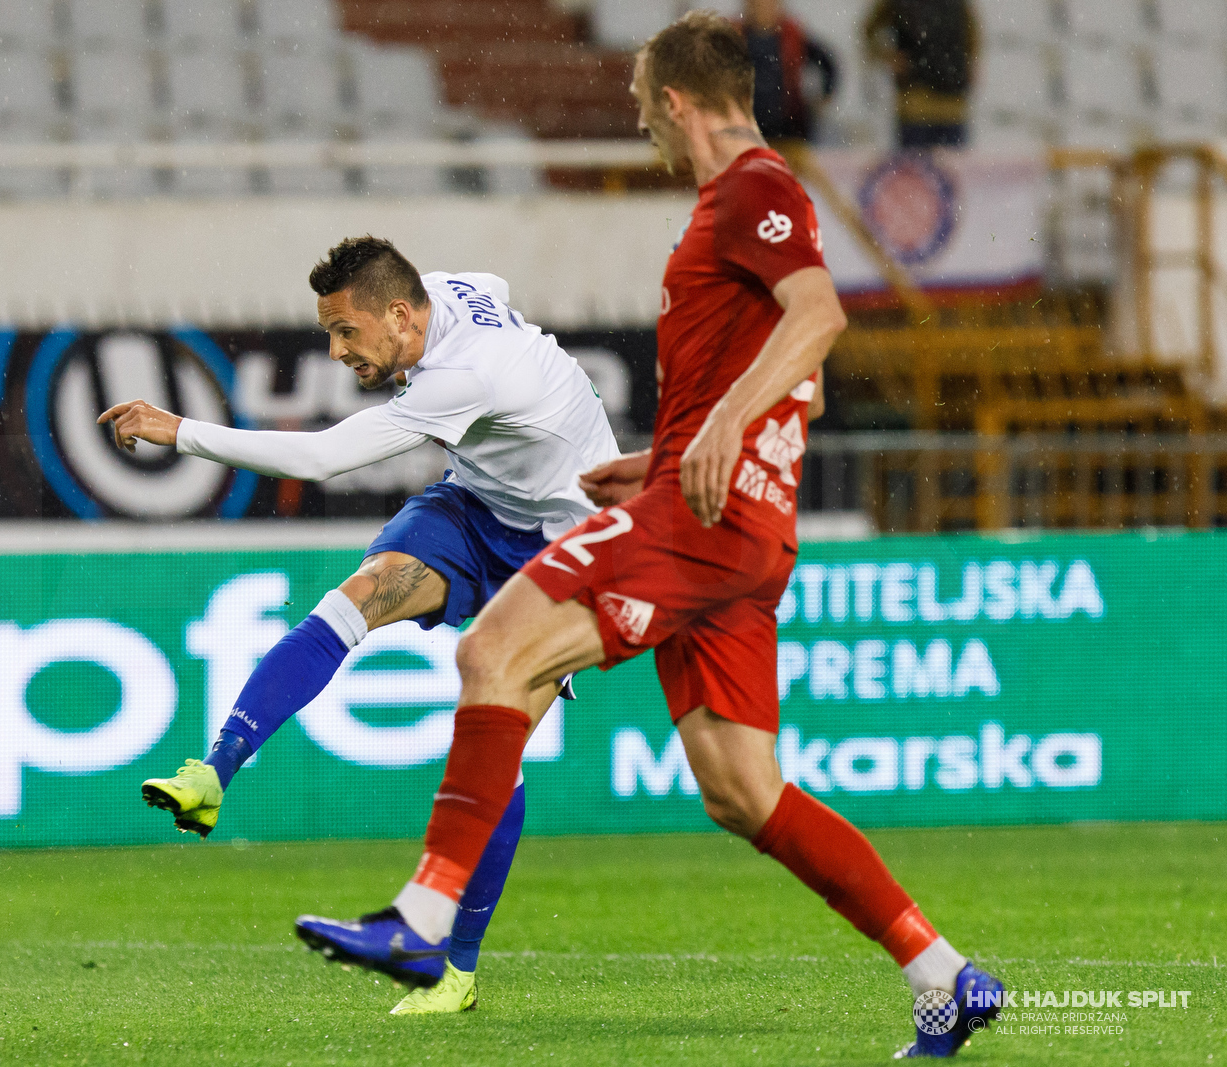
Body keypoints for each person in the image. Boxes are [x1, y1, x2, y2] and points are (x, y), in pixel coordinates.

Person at [293, 15, 1005, 1059]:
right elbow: (772, 366)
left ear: (676, 100)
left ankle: (424, 918)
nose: (640, 123)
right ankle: (944, 977)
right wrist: (667, 451)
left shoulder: (753, 188)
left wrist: (711, 436)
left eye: (640, 104)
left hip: (704, 523)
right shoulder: (736, 207)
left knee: (493, 648)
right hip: (727, 524)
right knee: (742, 790)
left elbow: (817, 315)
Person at [98, 236, 619, 1016]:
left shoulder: (464, 373)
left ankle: (454, 971)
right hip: (476, 507)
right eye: (330, 334)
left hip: (569, 545)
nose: (338, 351)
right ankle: (213, 772)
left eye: (346, 332)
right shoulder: (447, 292)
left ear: (401, 315)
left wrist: (182, 430)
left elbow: (319, 460)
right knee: (352, 599)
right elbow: (495, 281)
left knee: (493, 738)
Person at [863, 0, 978, 148]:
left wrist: (972, 62)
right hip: (915, 106)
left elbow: (971, 33)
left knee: (951, 167)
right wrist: (888, 57)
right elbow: (869, 31)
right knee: (915, 167)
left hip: (952, 106)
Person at [738, 0, 837, 144]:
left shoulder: (793, 37)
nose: (762, 8)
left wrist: (824, 96)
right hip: (746, 130)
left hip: (788, 129)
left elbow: (826, 63)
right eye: (756, 4)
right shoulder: (735, 37)